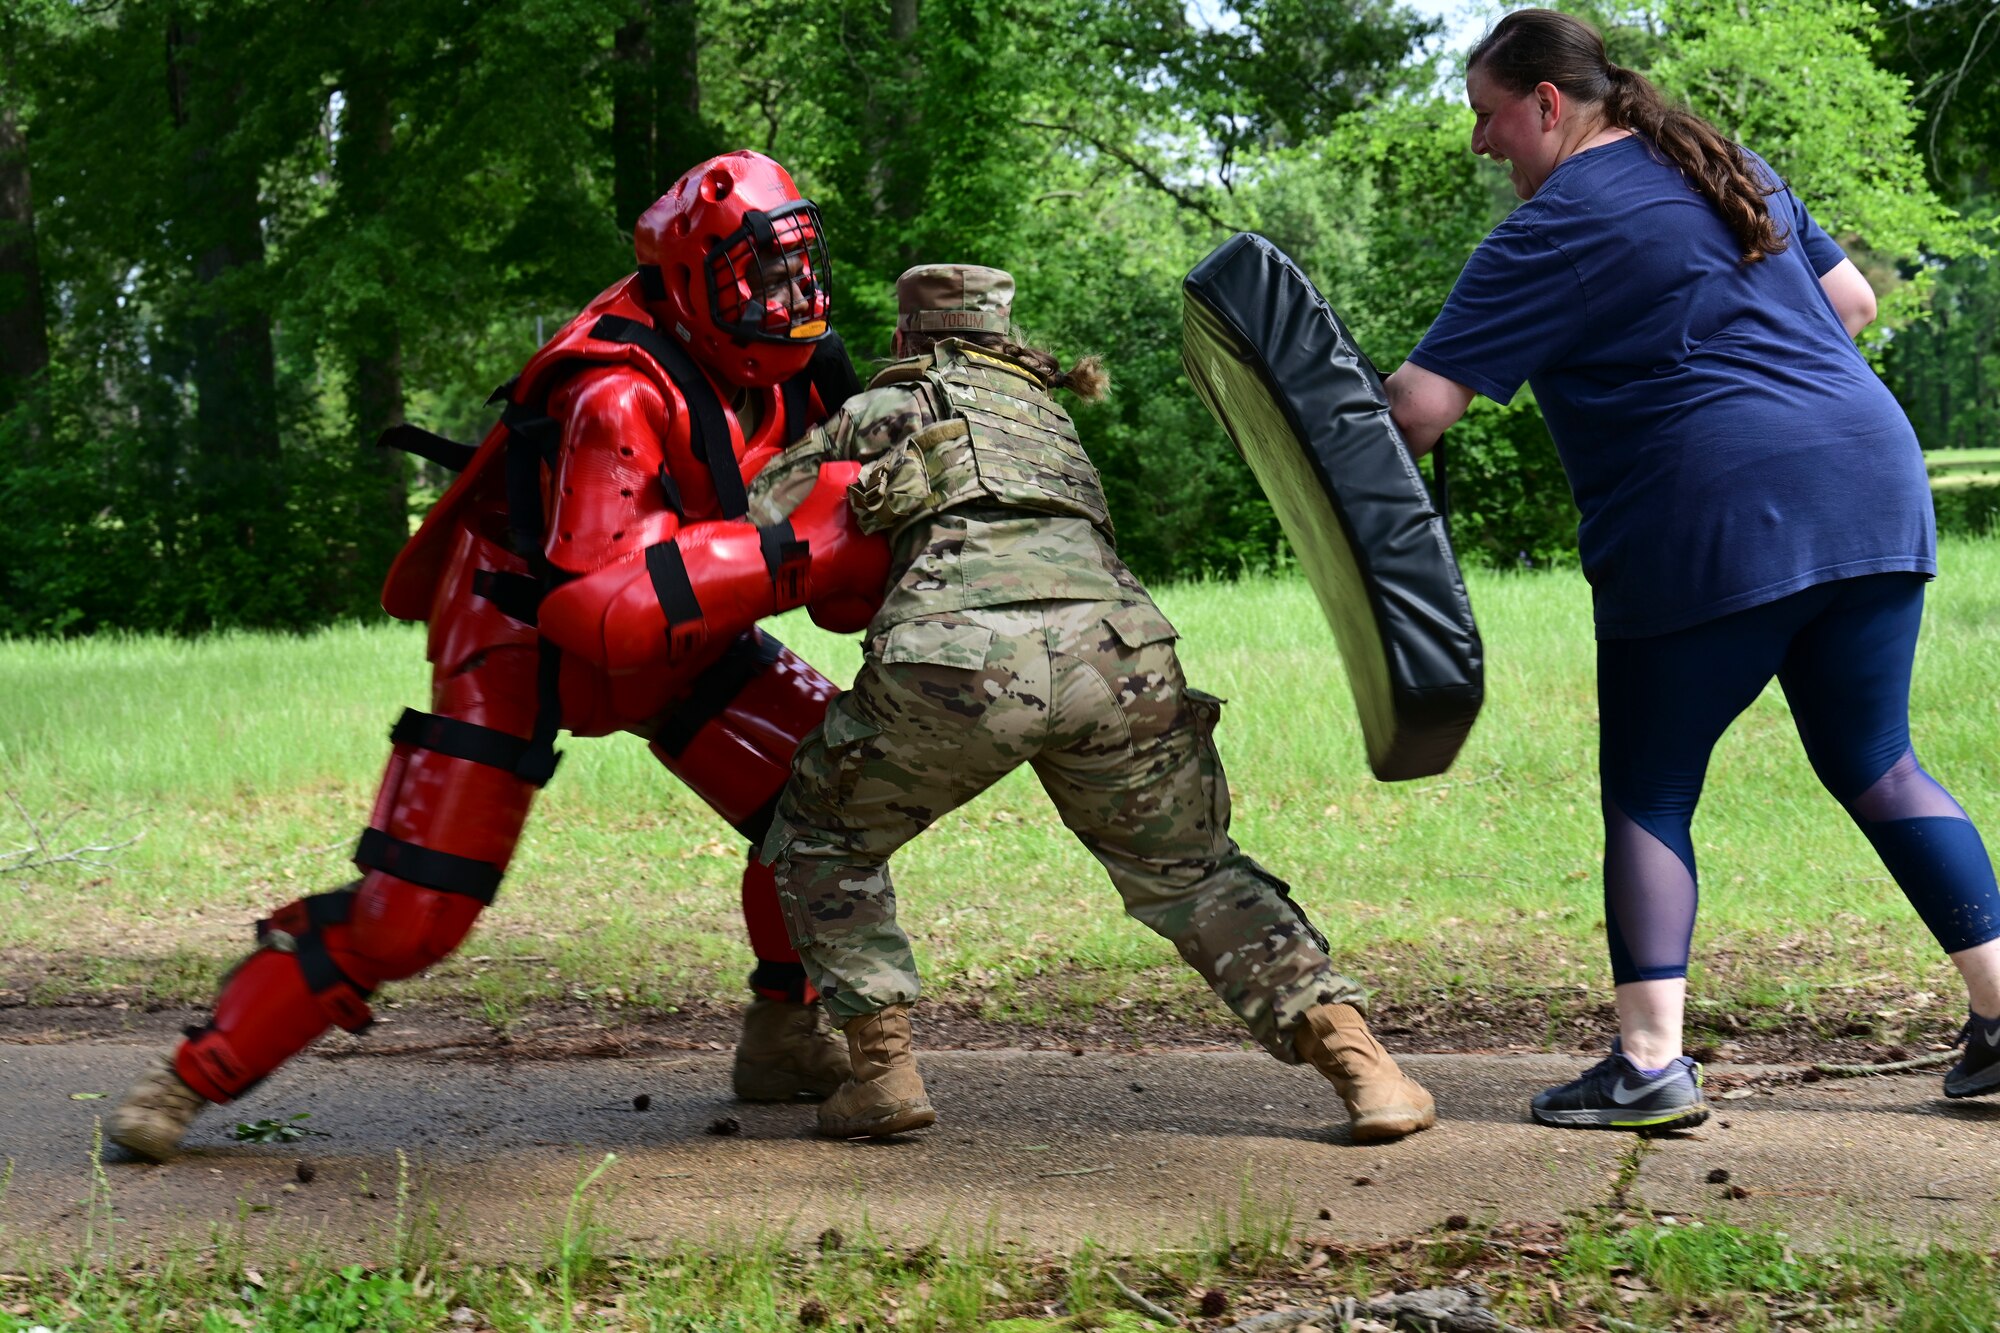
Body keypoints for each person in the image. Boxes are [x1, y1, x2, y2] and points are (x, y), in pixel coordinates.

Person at [110, 150, 891, 1161]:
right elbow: (596, 606)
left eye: (796, 265)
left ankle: (785, 1035)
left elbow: (833, 586)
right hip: (521, 628)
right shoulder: (613, 393)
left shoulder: (807, 375)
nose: (792, 292)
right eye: (761, 271)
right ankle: (188, 1076)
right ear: (696, 278)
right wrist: (798, 550)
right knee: (409, 919)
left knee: (825, 790)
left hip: (684, 612)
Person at [1382, 9, 2000, 1130]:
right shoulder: (1726, 165)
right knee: (1878, 761)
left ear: (1545, 104)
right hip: (1868, 481)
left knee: (1652, 792)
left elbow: (1418, 411)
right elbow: (1849, 304)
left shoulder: (1550, 225)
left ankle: (1649, 1061)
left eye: (1485, 119)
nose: (1481, 146)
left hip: (1707, 519)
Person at [745, 264, 1437, 1143]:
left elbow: (765, 512)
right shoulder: (1047, 412)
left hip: (958, 665)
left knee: (820, 833)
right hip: (1119, 661)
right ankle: (1365, 1068)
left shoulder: (891, 406)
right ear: (1003, 336)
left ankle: (882, 1071)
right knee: (1192, 869)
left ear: (905, 340)